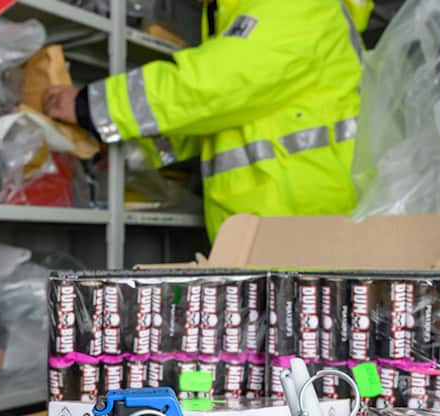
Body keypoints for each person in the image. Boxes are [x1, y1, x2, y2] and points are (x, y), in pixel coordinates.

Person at [44, 0, 373, 241]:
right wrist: (130, 148)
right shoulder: (246, 15)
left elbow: (213, 86)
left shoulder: (295, 6)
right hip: (284, 227)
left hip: (303, 226)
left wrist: (93, 105)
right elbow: (214, 119)